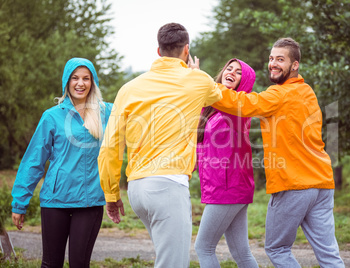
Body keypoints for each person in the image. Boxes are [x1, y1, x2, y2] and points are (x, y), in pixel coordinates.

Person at [211, 38, 345, 267]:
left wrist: (205, 86)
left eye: (280, 59)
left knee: (277, 248)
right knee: (329, 254)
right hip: (322, 184)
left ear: (295, 65)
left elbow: (242, 104)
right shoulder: (307, 92)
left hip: (294, 185)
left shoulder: (279, 95)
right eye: (271, 58)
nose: (273, 63)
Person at [98, 23, 222, 268]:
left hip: (137, 191)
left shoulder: (128, 88)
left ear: (158, 51)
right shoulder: (198, 80)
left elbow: (111, 146)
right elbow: (216, 97)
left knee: (166, 258)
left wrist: (111, 193)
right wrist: (195, 73)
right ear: (186, 50)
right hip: (167, 187)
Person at [11, 57, 113, 268]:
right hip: (55, 201)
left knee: (79, 264)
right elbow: (33, 161)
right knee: (51, 264)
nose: (80, 83)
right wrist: (20, 202)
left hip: (89, 201)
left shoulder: (107, 113)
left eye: (86, 78)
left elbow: (139, 111)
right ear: (67, 81)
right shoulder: (52, 116)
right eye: (75, 78)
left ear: (93, 82)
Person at [194, 58, 258, 268]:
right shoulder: (213, 109)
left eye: (238, 72)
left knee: (203, 248)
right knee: (241, 253)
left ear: (245, 81)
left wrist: (198, 77)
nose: (232, 72)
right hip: (228, 188)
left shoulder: (239, 107)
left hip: (227, 189)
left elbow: (222, 96)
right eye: (229, 68)